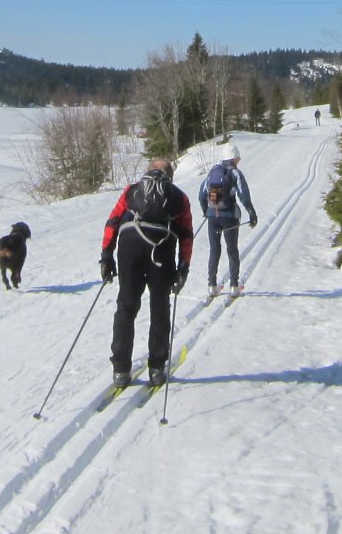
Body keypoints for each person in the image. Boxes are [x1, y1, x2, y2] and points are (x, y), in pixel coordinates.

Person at [99, 157, 194, 388]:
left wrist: (106, 254)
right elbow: (186, 234)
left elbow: (112, 221)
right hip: (161, 248)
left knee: (126, 305)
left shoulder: (132, 191)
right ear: (169, 175)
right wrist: (184, 266)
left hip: (130, 243)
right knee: (159, 307)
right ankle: (157, 368)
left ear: (147, 172)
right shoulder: (179, 197)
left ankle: (121, 370)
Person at [197, 142, 258, 297]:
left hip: (213, 217)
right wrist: (252, 213)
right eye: (238, 158)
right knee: (232, 249)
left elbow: (202, 194)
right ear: (234, 158)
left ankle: (211, 285)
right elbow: (244, 195)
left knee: (214, 249)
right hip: (230, 217)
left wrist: (207, 211)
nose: (239, 160)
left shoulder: (213, 172)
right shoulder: (235, 173)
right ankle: (234, 286)